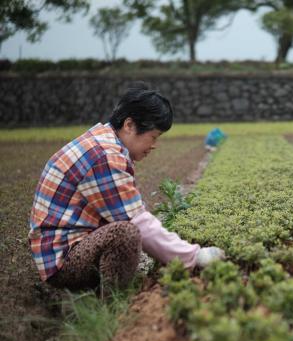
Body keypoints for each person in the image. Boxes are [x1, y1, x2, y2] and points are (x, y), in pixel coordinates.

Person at [29, 85, 224, 293]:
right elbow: (137, 221)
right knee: (125, 233)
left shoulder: (104, 143)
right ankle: (111, 305)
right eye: (154, 136)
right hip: (62, 262)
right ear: (129, 125)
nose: (154, 145)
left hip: (68, 247)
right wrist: (194, 256)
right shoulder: (104, 157)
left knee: (129, 226)